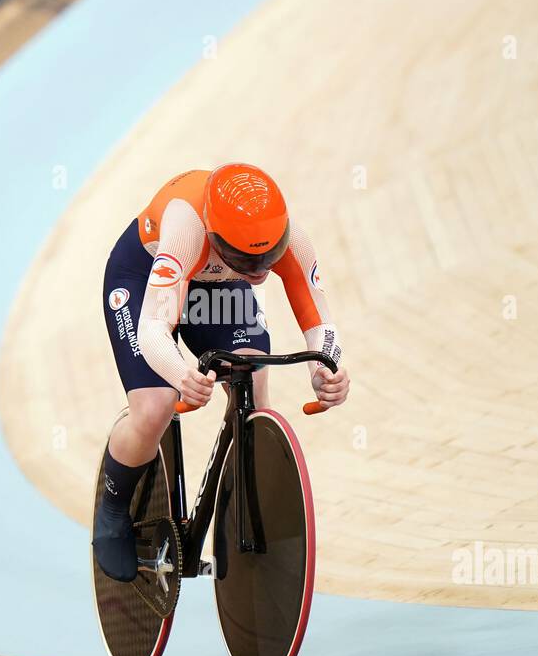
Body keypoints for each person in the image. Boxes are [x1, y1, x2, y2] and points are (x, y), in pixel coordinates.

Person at [94, 164, 349, 581]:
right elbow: (154, 331)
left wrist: (327, 365)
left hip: (215, 280)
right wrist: (181, 375)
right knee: (155, 407)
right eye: (251, 261)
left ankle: (247, 506)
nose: (263, 270)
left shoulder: (284, 236)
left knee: (253, 374)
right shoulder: (185, 227)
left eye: (269, 256)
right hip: (144, 277)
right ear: (215, 236)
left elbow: (320, 316)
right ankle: (113, 506)